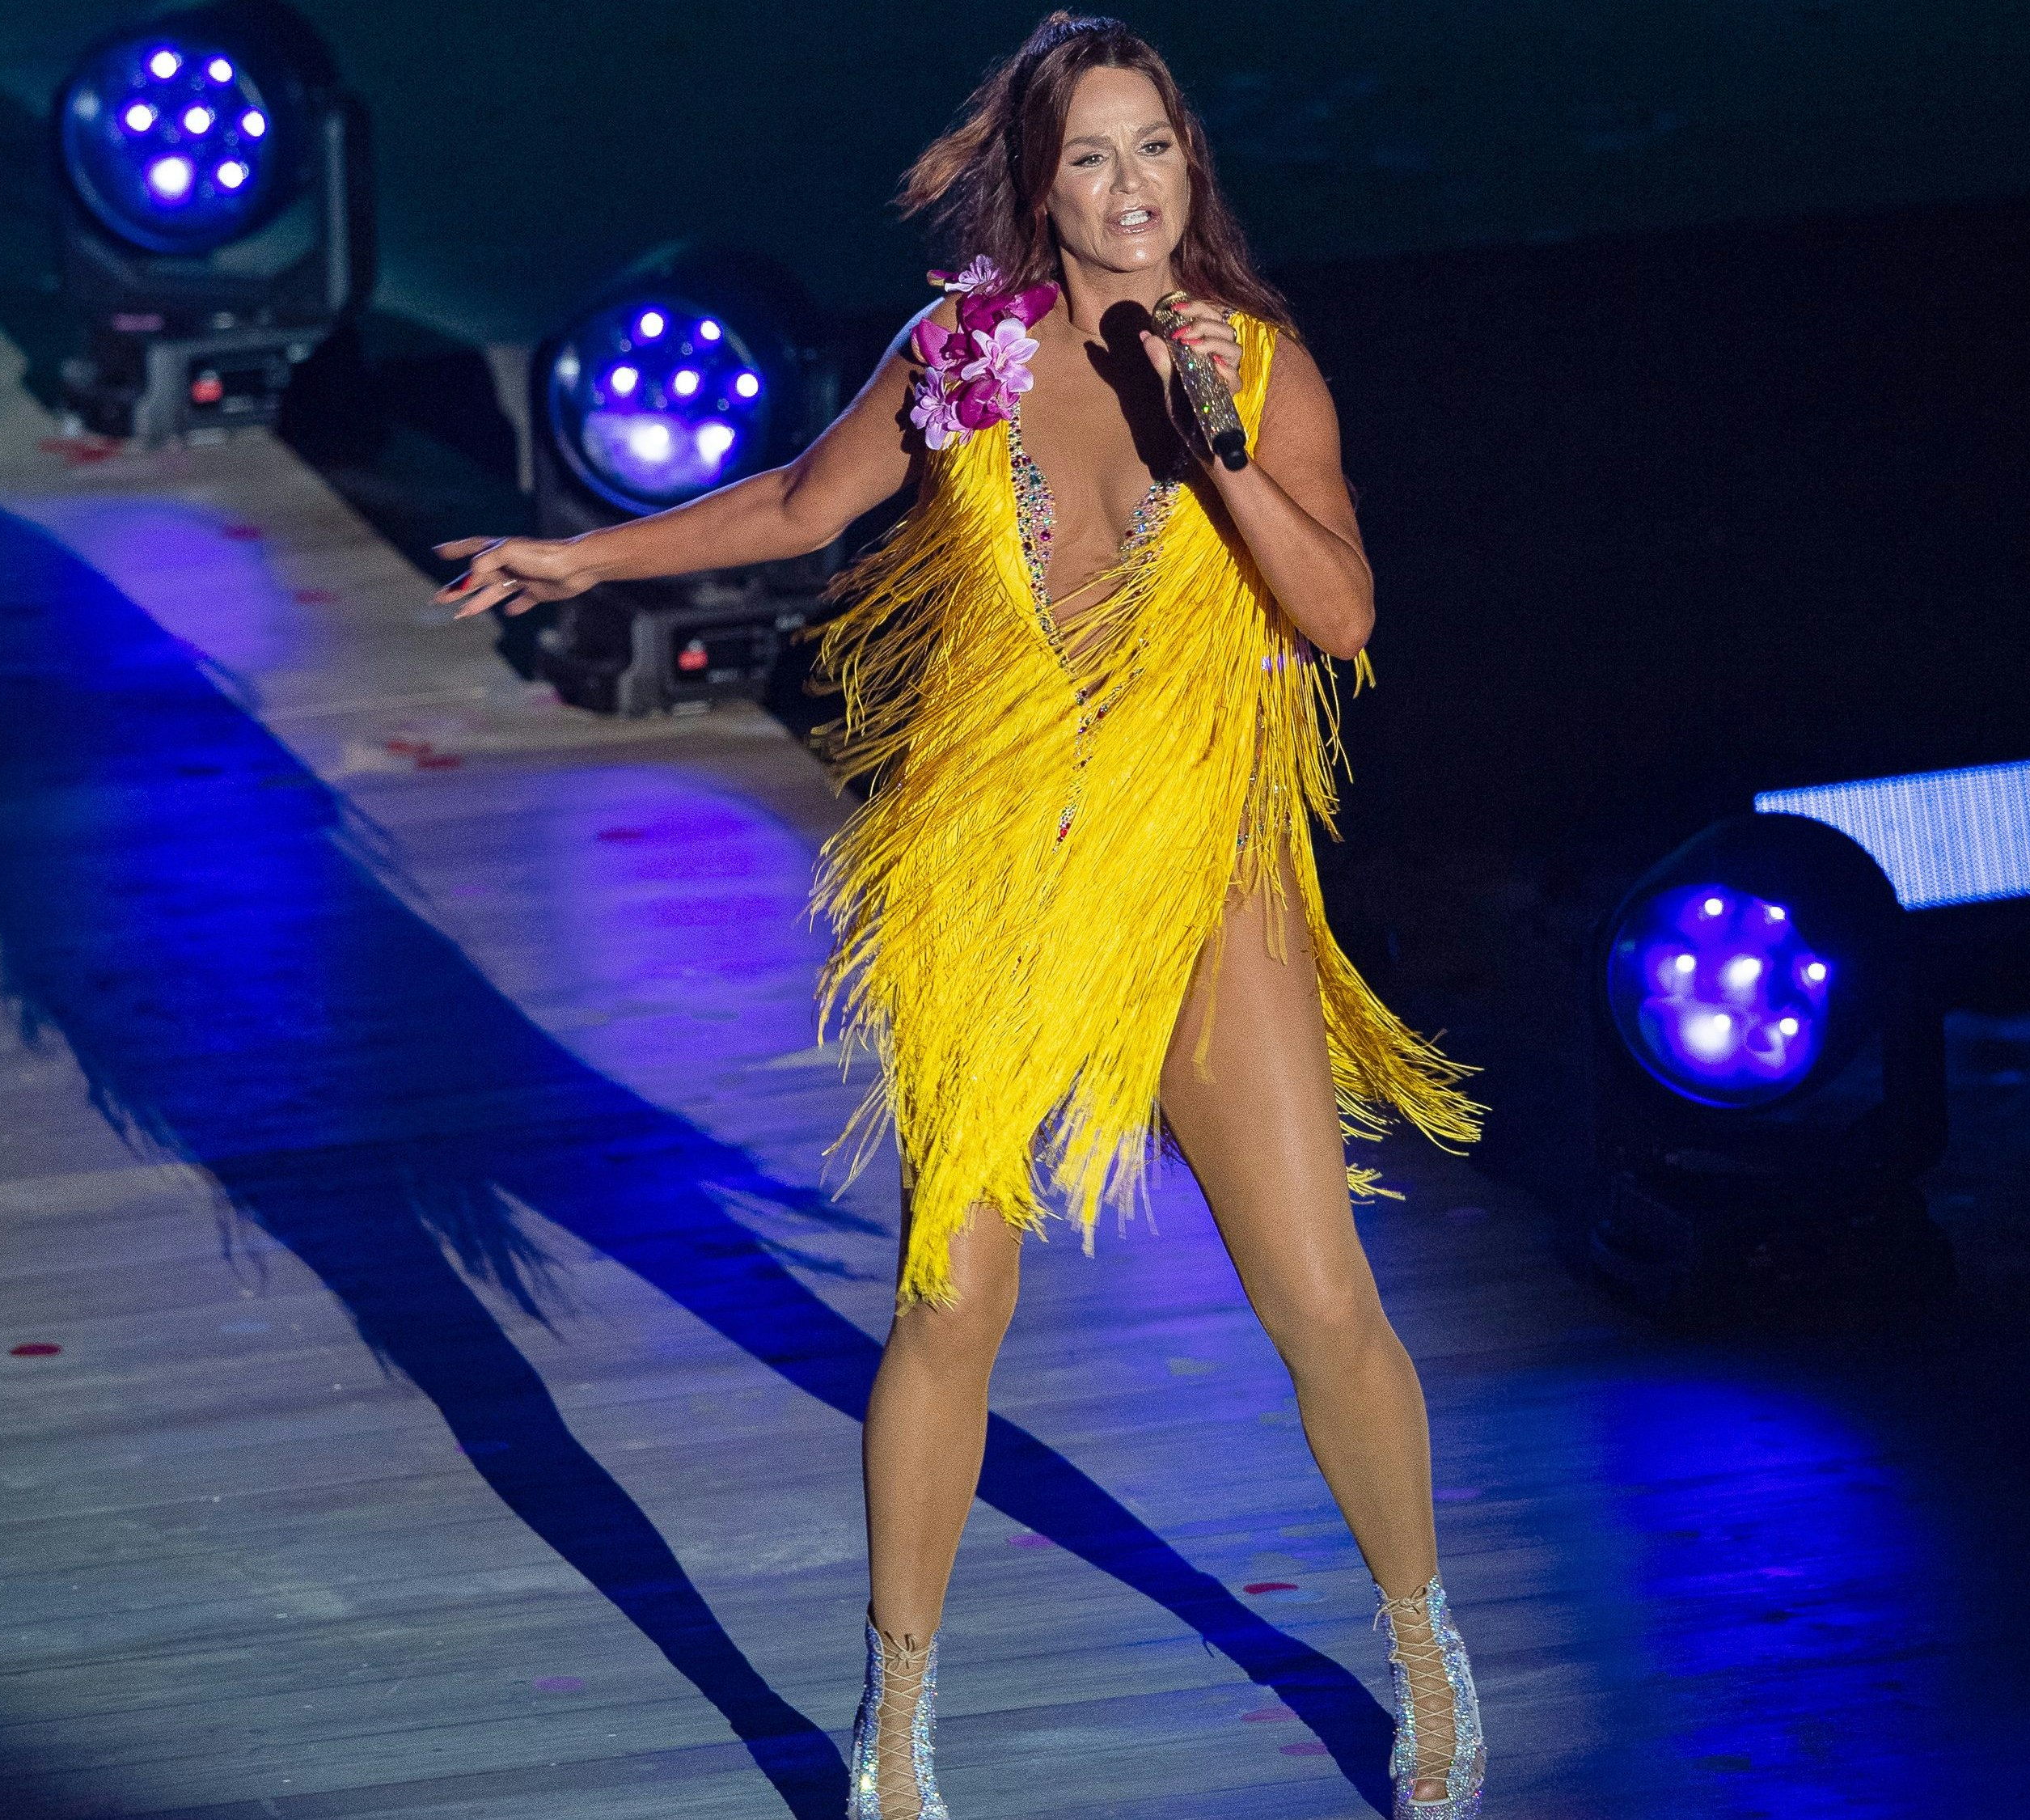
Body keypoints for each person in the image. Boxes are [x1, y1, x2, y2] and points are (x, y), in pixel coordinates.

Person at [434, 14, 1486, 1816]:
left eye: (1153, 147)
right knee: (945, 1306)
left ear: (1188, 166)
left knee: (1316, 1300)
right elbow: (792, 498)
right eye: (1090, 156)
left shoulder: (1256, 366)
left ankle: (1420, 1648)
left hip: (1194, 893)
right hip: (992, 877)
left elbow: (1338, 620)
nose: (1129, 186)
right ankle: (897, 1723)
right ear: (1038, 185)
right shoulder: (963, 353)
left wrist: (1216, 449)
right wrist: (578, 554)